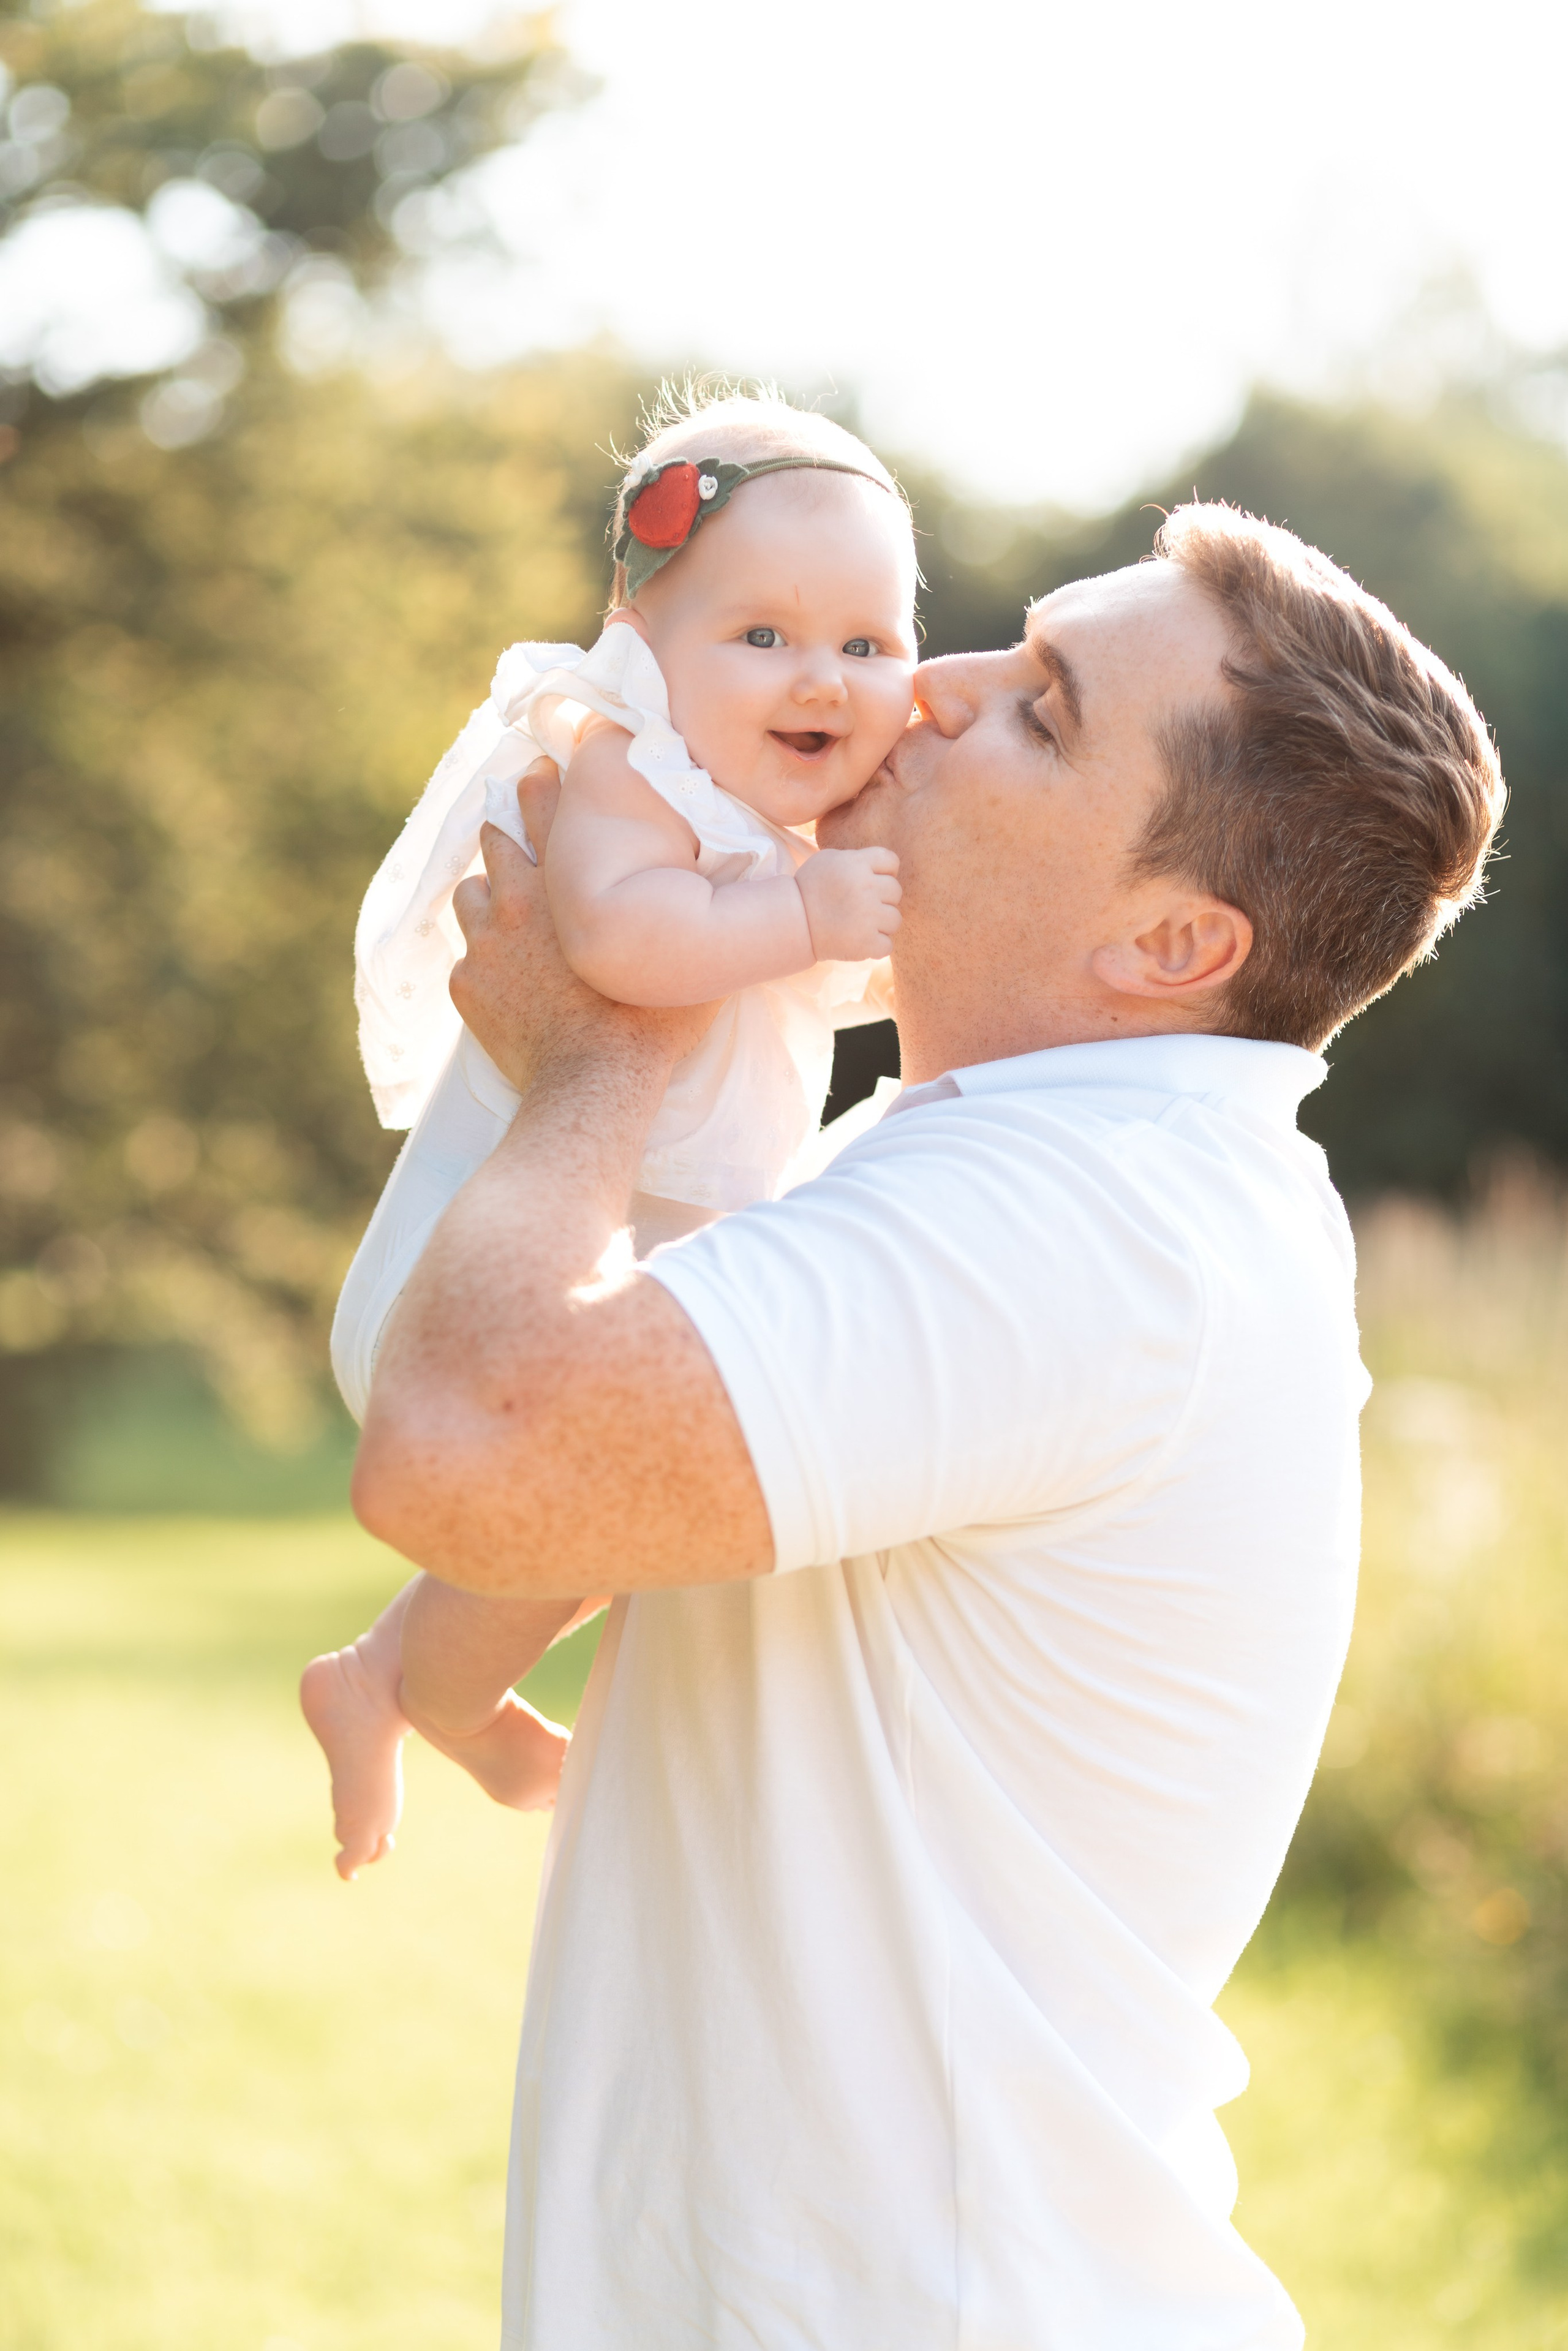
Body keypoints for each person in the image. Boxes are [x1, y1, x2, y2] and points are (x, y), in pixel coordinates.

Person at [351, 502, 1503, 2349]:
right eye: (1003, 644)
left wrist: (596, 1059)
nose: (925, 690)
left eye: (1040, 707)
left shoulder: (1094, 1220)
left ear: (1174, 936)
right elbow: (586, 1497)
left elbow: (468, 1456)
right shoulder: (998, 1166)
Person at [303, 393, 916, 1878]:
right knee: (594, 1495)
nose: (815, 674)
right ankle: (424, 1687)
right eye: (758, 635)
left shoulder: (777, 819)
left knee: (626, 1507)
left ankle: (392, 1671)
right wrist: (805, 917)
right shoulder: (624, 766)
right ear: (639, 646)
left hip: (590, 1282)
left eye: (865, 640)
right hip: (468, 1292)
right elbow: (622, 937)